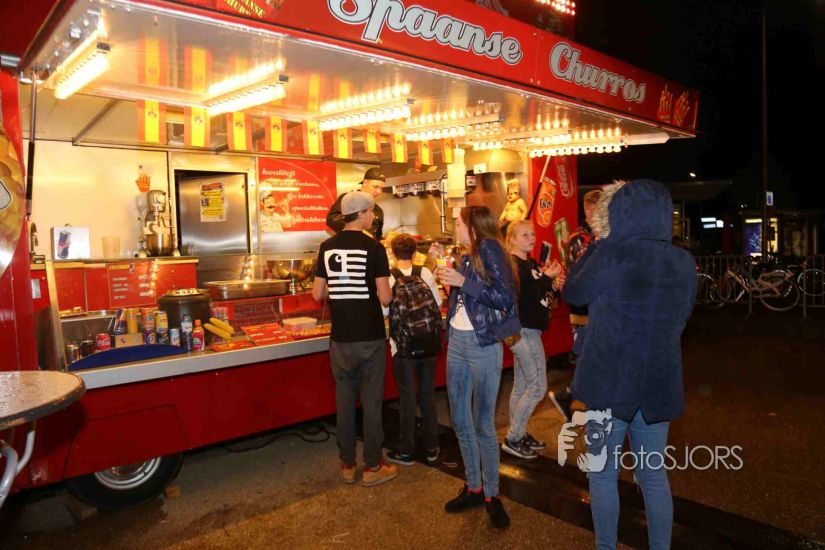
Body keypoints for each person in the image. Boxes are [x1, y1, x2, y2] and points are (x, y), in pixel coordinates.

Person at [562, 179, 697, 550]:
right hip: (657, 382)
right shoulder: (683, 261)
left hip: (608, 382)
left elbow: (573, 292)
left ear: (618, 212)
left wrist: (598, 244)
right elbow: (683, 316)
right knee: (653, 476)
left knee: (603, 474)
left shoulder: (610, 253)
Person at [434, 205, 520, 530]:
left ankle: (492, 495)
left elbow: (505, 297)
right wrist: (449, 273)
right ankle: (473, 487)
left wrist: (462, 281)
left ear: (472, 226)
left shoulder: (490, 249)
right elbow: (463, 299)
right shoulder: (469, 255)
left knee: (483, 423)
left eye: (458, 223)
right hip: (457, 341)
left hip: (482, 343)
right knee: (460, 419)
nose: (455, 227)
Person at [312, 190, 397, 487]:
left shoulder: (327, 246)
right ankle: (373, 466)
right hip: (370, 336)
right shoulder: (374, 248)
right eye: (370, 212)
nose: (372, 216)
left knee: (345, 402)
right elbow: (385, 298)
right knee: (372, 403)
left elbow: (318, 294)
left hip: (341, 339)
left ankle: (347, 464)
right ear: (360, 214)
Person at [501, 220, 563, 460]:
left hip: (530, 330)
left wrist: (552, 282)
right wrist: (546, 278)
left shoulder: (530, 262)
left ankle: (519, 433)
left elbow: (540, 292)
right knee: (537, 387)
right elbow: (524, 296)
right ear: (512, 239)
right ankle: (513, 437)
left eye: (533, 234)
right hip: (523, 330)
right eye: (525, 235)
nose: (531, 238)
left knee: (522, 386)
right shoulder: (513, 264)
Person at [384, 233, 442, 467]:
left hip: (402, 348)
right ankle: (431, 448)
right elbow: (437, 304)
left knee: (407, 398)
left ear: (392, 252)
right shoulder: (424, 273)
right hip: (427, 344)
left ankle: (406, 451)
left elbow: (385, 311)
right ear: (415, 252)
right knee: (427, 395)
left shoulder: (389, 276)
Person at [548, 188, 601, 421]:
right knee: (588, 356)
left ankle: (574, 397)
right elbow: (586, 276)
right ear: (589, 211)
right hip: (583, 308)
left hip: (591, 307)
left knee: (592, 357)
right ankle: (571, 396)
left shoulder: (595, 237)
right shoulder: (581, 239)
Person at [326, 167, 385, 239]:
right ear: (365, 182)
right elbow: (332, 220)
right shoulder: (348, 199)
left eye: (381, 188)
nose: (379, 191)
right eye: (375, 187)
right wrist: (361, 233)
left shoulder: (379, 210)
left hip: (370, 246)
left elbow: (378, 237)